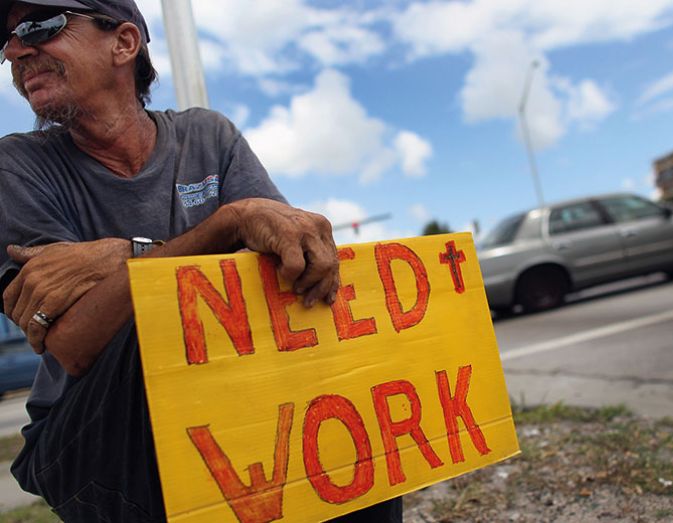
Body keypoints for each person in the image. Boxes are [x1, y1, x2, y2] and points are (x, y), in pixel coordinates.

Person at [0, 0, 402, 521]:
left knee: (350, 401)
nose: (14, 50)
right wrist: (223, 225)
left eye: (40, 26)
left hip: (228, 400)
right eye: (8, 39)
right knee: (152, 333)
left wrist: (125, 258)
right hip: (88, 434)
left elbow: (294, 265)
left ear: (124, 43)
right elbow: (76, 344)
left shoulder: (209, 137)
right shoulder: (17, 167)